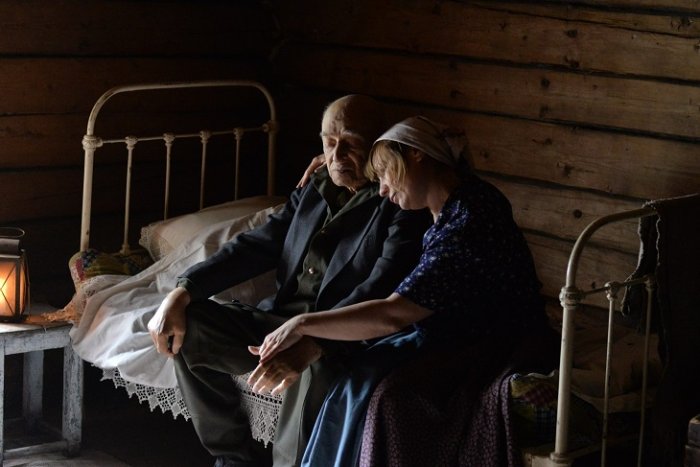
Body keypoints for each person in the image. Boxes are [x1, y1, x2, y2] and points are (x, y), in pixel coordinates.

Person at [248, 116, 555, 466]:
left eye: (385, 174)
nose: (381, 190)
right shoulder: (459, 201)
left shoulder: (469, 219)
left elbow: (393, 314)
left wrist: (302, 323)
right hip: (457, 331)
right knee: (355, 376)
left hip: (496, 341)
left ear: (416, 155)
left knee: (388, 399)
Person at [147, 96, 431, 467]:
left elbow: (379, 288)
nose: (336, 155)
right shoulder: (315, 186)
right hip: (278, 321)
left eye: (351, 143)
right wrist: (183, 291)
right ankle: (233, 459)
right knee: (192, 326)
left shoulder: (399, 202)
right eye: (329, 142)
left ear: (379, 145)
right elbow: (258, 244)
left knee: (317, 368)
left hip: (339, 334)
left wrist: (314, 340)